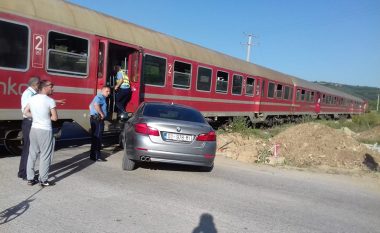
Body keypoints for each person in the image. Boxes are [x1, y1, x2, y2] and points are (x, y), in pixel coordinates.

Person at [24, 80, 58, 187]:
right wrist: (45, 117)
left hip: (34, 129)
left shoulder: (32, 98)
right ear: (45, 87)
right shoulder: (50, 100)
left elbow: (25, 112)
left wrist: (36, 116)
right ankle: (43, 180)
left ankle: (30, 179)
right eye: (51, 86)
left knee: (32, 154)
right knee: (45, 155)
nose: (53, 88)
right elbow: (55, 118)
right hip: (45, 130)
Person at [18, 77, 40, 180]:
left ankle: (22, 171)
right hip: (29, 122)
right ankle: (25, 174)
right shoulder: (29, 94)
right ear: (35, 84)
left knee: (28, 148)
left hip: (30, 123)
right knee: (29, 149)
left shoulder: (31, 93)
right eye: (40, 84)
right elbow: (25, 111)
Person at [89, 86, 111, 161]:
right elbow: (96, 105)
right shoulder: (100, 97)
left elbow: (90, 105)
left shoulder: (99, 97)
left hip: (95, 118)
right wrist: (101, 114)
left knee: (95, 138)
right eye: (107, 91)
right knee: (98, 138)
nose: (108, 93)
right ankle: (96, 156)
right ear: (102, 91)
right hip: (97, 120)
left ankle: (93, 156)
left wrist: (92, 113)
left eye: (109, 91)